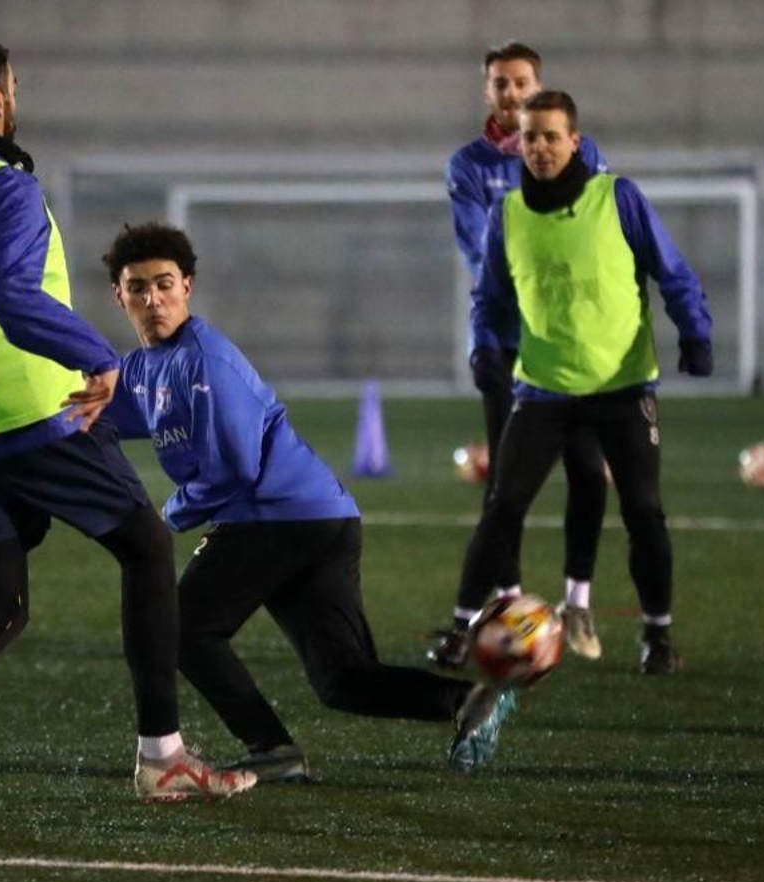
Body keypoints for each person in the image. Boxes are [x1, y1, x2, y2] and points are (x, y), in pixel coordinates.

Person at [0, 33, 254, 814]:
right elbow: (11, 299)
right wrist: (100, 358)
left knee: (1, 597)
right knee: (146, 546)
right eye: (13, 82)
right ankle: (162, 759)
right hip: (35, 418)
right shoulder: (2, 189)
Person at [99, 222, 517, 776]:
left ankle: (270, 749)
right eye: (138, 288)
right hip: (320, 519)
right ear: (119, 296)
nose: (153, 299)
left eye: (165, 284)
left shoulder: (205, 361)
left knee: (182, 629)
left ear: (188, 287)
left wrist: (168, 513)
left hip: (280, 517)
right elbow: (97, 416)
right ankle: (466, 703)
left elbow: (238, 468)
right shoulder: (139, 367)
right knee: (341, 679)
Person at [435, 90, 713, 676]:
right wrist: (484, 347)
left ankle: (657, 636)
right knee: (502, 506)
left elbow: (673, 270)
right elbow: (487, 298)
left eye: (551, 137)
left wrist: (695, 332)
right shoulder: (507, 216)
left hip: (622, 387)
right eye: (531, 138)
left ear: (575, 142)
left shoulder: (618, 197)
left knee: (644, 511)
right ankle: (461, 629)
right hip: (544, 389)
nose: (539, 147)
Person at [440, 42, 610, 668]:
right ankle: (511, 603)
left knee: (590, 475)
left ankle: (577, 601)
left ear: (538, 87)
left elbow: (596, 232)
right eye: (501, 84)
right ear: (488, 91)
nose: (511, 94)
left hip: (575, 346)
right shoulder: (468, 165)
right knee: (507, 490)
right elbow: (477, 252)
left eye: (521, 83)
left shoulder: (580, 153)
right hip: (509, 345)